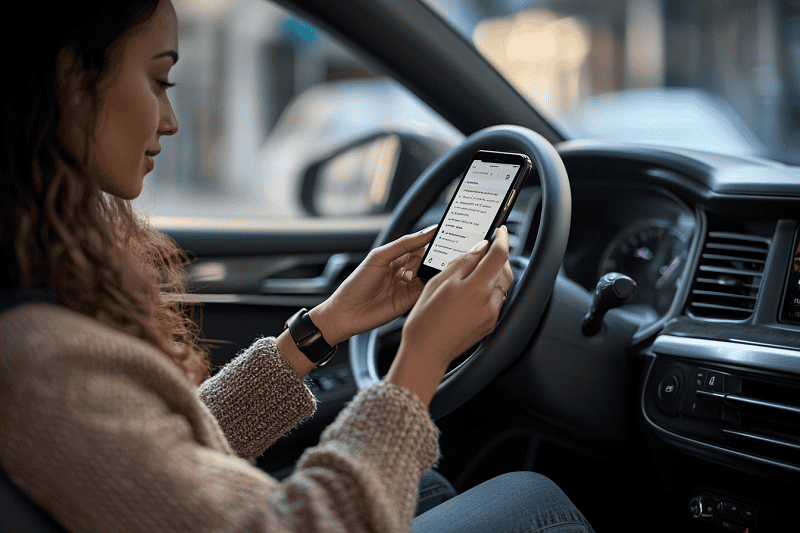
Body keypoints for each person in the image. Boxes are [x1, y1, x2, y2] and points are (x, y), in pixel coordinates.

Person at [0, 1, 595, 532]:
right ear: (73, 80)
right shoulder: (40, 362)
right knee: (529, 499)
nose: (170, 119)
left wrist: (324, 326)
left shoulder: (39, 323)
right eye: (159, 79)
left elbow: (154, 463)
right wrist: (421, 359)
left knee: (433, 489)